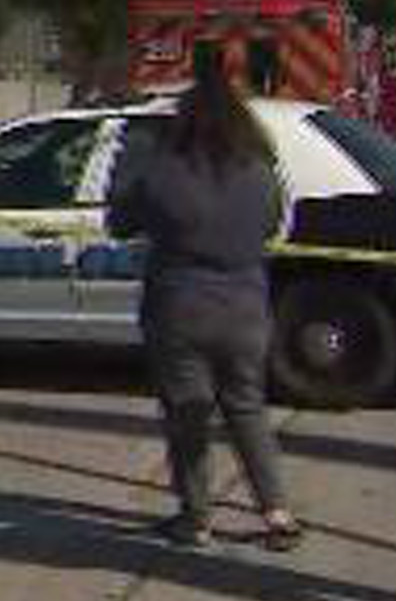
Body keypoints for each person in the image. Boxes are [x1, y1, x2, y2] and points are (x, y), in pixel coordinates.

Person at [106, 57, 304, 552]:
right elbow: (271, 228)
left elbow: (119, 223)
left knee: (187, 415)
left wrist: (131, 163)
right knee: (247, 407)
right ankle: (277, 512)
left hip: (180, 306)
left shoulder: (163, 171)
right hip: (245, 304)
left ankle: (196, 519)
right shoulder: (260, 173)